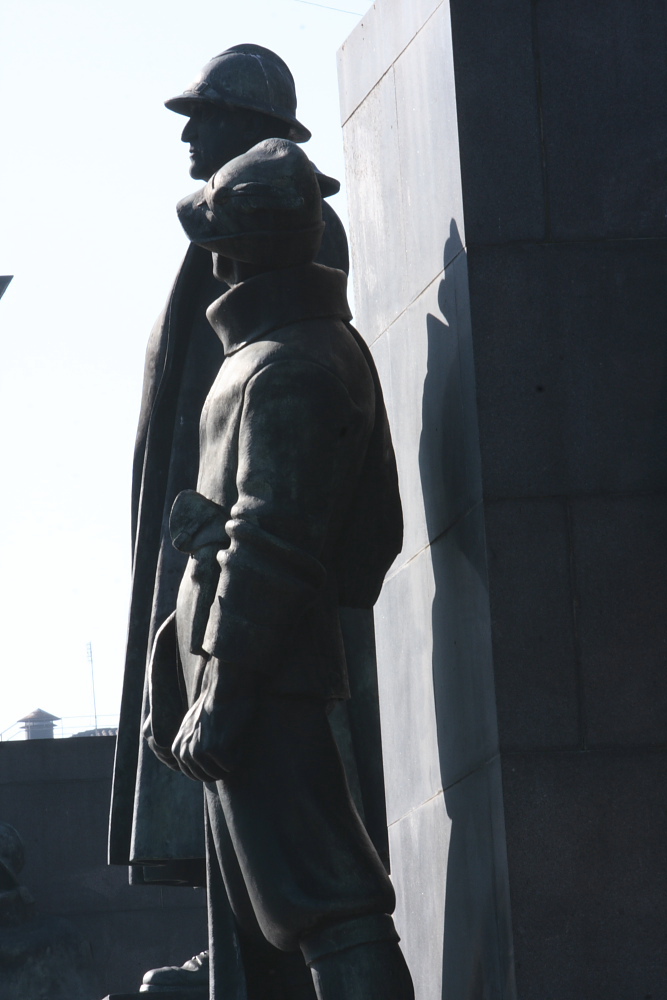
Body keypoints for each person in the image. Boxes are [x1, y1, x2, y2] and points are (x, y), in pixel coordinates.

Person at [109, 45, 389, 997]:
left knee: (322, 892)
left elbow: (289, 522)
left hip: (270, 635)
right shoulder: (251, 322)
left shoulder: (298, 324)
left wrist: (224, 667)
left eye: (206, 114)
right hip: (228, 603)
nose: (189, 132)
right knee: (273, 892)